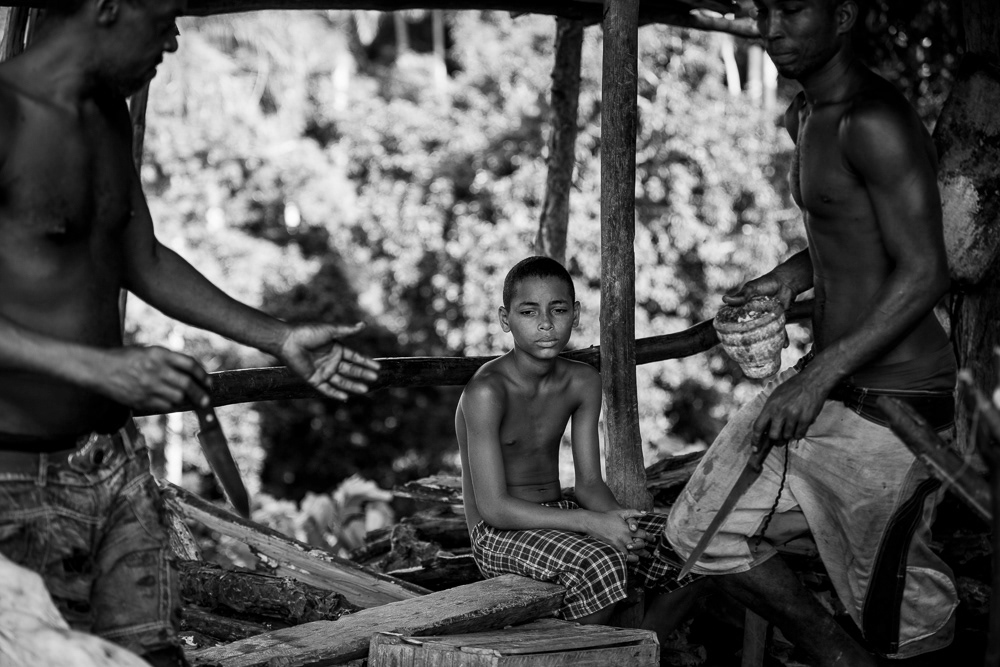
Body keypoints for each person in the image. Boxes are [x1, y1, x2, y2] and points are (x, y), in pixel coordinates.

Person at [0, 2, 380, 666]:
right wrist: (99, 367)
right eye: (166, 14)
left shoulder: (107, 114)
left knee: (154, 656)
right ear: (108, 5)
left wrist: (275, 336)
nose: (174, 39)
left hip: (112, 460)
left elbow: (141, 257)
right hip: (14, 477)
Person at [663, 0, 957, 665]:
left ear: (845, 13)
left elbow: (925, 270)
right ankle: (837, 652)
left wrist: (816, 377)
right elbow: (848, 231)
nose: (771, 27)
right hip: (833, 381)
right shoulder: (807, 114)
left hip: (895, 399)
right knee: (698, 530)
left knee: (903, 617)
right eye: (762, 9)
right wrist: (789, 277)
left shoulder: (872, 120)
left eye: (792, 9)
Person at [455, 256, 703, 646]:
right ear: (506, 319)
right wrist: (593, 524)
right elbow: (494, 508)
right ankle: (576, 655)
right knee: (601, 563)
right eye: (528, 311)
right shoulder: (486, 392)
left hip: (560, 515)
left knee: (693, 545)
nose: (545, 324)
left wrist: (620, 525)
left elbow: (588, 483)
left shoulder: (583, 381)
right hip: (497, 533)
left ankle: (632, 653)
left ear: (576, 313)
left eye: (558, 310)